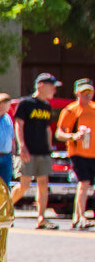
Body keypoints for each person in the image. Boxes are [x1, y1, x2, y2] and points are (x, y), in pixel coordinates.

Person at [12, 73, 60, 228]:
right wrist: (22, 146)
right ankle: (5, 208)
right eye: (52, 86)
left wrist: (49, 149)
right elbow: (19, 124)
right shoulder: (26, 103)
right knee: (24, 184)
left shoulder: (46, 105)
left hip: (43, 151)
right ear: (41, 85)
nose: (54, 90)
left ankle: (41, 218)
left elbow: (47, 129)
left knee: (43, 183)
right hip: (28, 150)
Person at [58, 77, 95, 229]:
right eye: (84, 92)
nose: (87, 95)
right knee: (84, 182)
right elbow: (59, 133)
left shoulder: (93, 108)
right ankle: (81, 216)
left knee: (86, 184)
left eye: (90, 92)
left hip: (93, 153)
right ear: (77, 93)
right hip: (78, 152)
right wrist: (73, 136)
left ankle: (77, 216)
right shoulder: (70, 110)